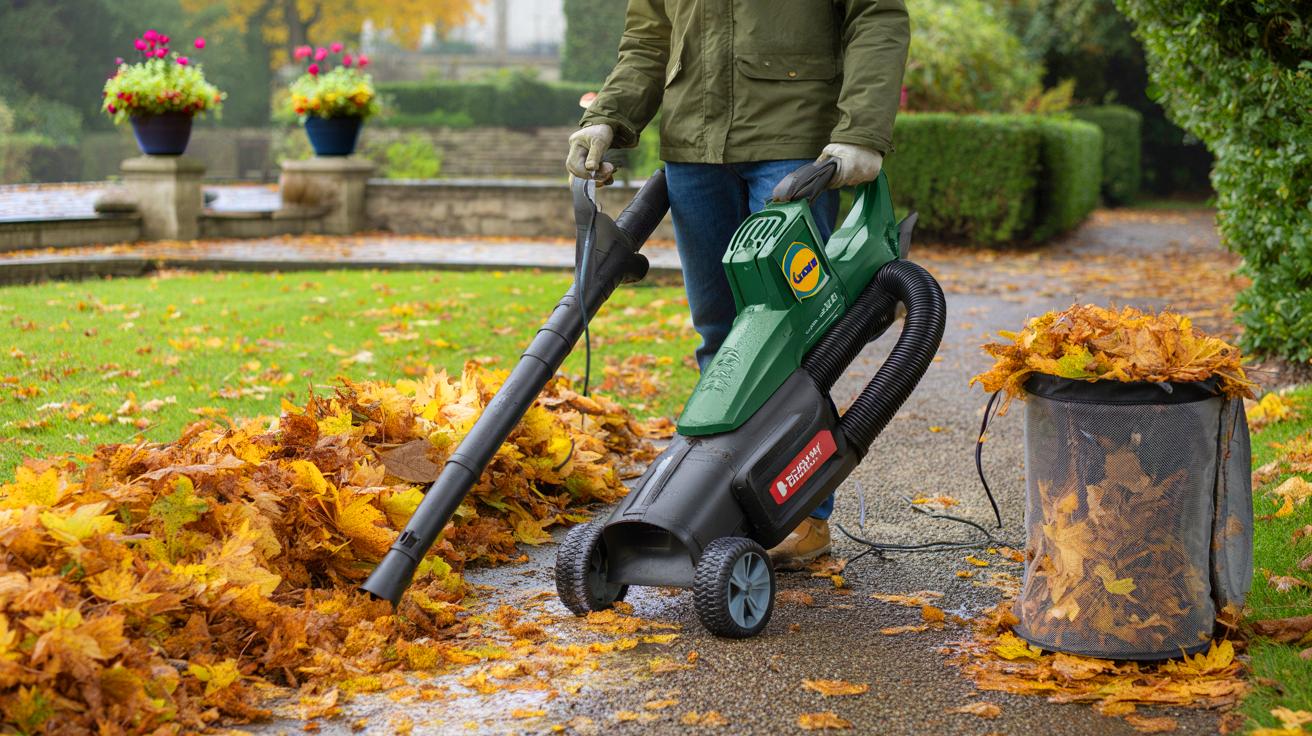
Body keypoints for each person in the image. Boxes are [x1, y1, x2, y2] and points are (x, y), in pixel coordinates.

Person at [565, 0, 910, 569]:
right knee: (721, 339)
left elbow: (876, 16)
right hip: (693, 150)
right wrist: (607, 116)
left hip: (792, 141)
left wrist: (862, 133)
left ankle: (800, 511)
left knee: (790, 341)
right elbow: (649, 38)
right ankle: (731, 507)